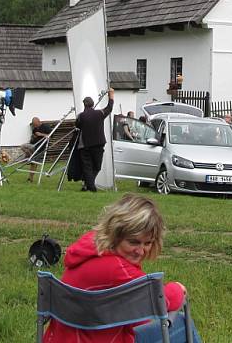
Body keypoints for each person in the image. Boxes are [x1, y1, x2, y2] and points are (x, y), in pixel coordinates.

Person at [42, 193, 201, 343]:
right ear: (115, 234)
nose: (141, 251)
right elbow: (160, 300)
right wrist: (178, 289)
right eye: (133, 242)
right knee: (183, 321)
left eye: (148, 243)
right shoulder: (118, 269)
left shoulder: (88, 247)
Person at [75, 88, 115, 192]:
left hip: (85, 145)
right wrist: (111, 96)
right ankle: (91, 188)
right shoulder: (100, 113)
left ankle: (88, 186)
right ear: (93, 104)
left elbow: (78, 126)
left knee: (87, 167)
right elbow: (109, 108)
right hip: (98, 144)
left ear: (84, 105)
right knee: (97, 166)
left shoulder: (81, 116)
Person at [21, 117, 53, 182]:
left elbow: (51, 135)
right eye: (34, 125)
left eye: (35, 124)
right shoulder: (35, 129)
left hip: (41, 147)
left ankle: (30, 178)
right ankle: (30, 157)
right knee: (23, 146)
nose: (35, 126)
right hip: (33, 145)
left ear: (39, 121)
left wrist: (41, 134)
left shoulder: (46, 126)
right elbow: (33, 136)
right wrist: (33, 137)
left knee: (34, 163)